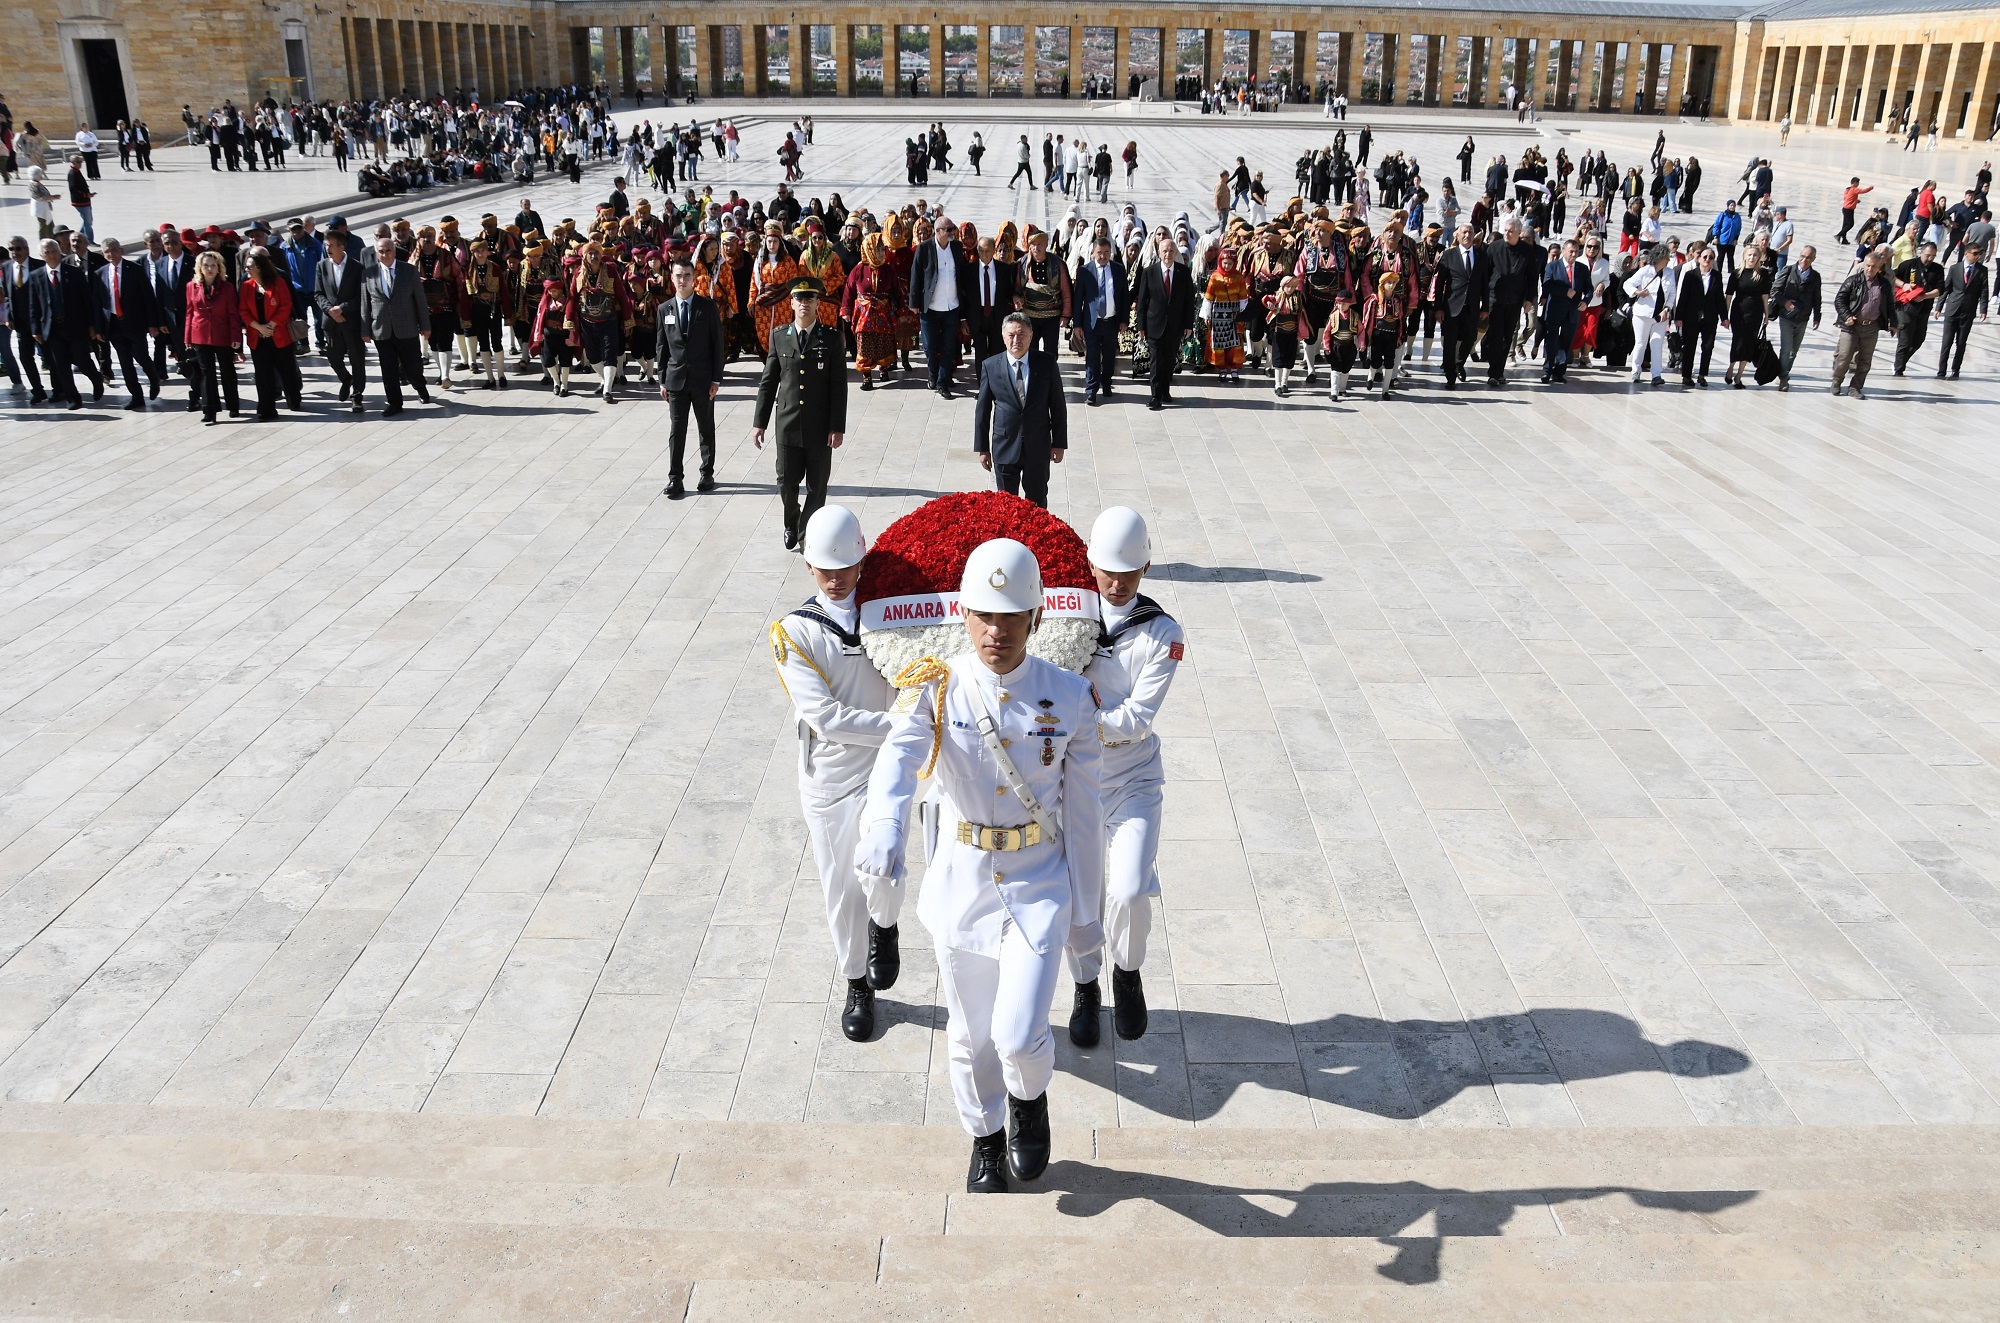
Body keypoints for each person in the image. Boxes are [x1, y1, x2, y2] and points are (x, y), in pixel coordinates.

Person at [855, 537, 1105, 1196]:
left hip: (1037, 880)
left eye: (1012, 615)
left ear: (1037, 618)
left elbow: (1083, 816)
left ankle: (1029, 1099)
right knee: (970, 1036)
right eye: (984, 615)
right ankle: (986, 1135)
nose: (997, 631)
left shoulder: (1070, 697)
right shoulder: (937, 688)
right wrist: (884, 823)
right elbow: (898, 759)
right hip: (965, 881)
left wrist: (1088, 922)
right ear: (964, 615)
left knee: (1019, 1036)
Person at [768, 505, 904, 1043]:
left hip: (883, 770)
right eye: (824, 568)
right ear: (808, 568)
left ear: (861, 560)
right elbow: (824, 716)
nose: (835, 577)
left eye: (844, 566)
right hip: (828, 777)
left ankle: (886, 927)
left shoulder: (890, 614)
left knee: (886, 866)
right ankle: (856, 984)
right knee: (842, 888)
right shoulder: (795, 633)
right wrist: (899, 727)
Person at [1067, 507, 1180, 1048]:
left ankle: (1127, 971)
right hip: (1076, 782)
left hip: (1132, 780)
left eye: (1128, 573)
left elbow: (1136, 719)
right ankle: (1085, 987)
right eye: (1107, 571)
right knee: (1080, 894)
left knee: (1130, 890)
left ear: (1147, 568)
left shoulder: (1162, 633)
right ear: (1089, 564)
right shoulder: (1067, 614)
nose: (1115, 584)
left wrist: (1071, 724)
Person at [754, 277, 847, 552]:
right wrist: (760, 422)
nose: (804, 304)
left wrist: (837, 426)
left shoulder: (831, 338)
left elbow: (838, 387)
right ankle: (791, 521)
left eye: (810, 299)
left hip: (820, 426)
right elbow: (769, 382)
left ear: (818, 304)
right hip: (788, 424)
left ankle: (806, 529)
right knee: (785, 482)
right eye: (799, 299)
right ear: (791, 303)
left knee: (817, 486)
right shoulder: (779, 336)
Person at [973, 313, 1066, 508]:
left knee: (1037, 503)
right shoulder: (990, 366)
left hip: (1037, 446)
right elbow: (982, 410)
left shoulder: (1046, 363)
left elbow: (1057, 405)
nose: (1016, 340)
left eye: (1021, 334)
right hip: (1004, 446)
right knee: (1006, 507)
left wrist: (1059, 442)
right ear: (1003, 336)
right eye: (1011, 335)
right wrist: (982, 448)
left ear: (1031, 336)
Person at [658, 255, 725, 498]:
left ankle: (707, 473)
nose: (683, 280)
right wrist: (662, 379)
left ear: (694, 278)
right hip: (676, 380)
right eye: (679, 276)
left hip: (702, 379)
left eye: (687, 275)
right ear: (672, 278)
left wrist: (716, 379)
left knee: (705, 427)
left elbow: (717, 345)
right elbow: (662, 347)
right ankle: (675, 478)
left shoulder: (707, 307)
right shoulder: (664, 309)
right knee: (678, 429)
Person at [361, 232, 432, 416]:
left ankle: (420, 387)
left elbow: (420, 301)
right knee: (388, 369)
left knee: (413, 366)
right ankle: (394, 403)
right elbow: (365, 304)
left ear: (394, 251)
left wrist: (425, 326)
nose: (385, 254)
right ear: (377, 253)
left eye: (389, 250)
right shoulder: (368, 274)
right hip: (382, 330)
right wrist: (365, 330)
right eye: (381, 251)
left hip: (406, 327)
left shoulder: (408, 271)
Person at [26, 236, 101, 409]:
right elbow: (33, 304)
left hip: (75, 326)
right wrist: (35, 329)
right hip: (52, 329)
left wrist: (92, 325)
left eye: (54, 251)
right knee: (61, 365)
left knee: (82, 361)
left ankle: (96, 379)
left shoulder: (73, 272)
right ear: (41, 255)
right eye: (47, 252)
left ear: (59, 252)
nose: (51, 255)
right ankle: (72, 397)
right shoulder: (36, 276)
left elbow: (86, 301)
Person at [90, 236, 162, 410]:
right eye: (107, 251)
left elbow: (148, 298)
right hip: (114, 325)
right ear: (103, 254)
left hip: (134, 323)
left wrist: (152, 323)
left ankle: (154, 378)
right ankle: (136, 396)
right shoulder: (100, 274)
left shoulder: (134, 269)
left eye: (114, 250)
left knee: (141, 356)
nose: (111, 254)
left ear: (121, 251)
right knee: (125, 362)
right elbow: (98, 304)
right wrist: (99, 328)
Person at [907, 216, 970, 396]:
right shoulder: (924, 248)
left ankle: (942, 382)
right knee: (929, 346)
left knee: (948, 345)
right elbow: (916, 276)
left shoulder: (956, 247)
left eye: (953, 229)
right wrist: (914, 303)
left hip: (951, 307)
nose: (952, 232)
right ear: (938, 231)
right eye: (948, 229)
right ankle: (933, 374)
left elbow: (961, 276)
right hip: (930, 307)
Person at [1132, 233, 1193, 411]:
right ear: (1159, 252)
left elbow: (1188, 301)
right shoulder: (1149, 272)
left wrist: (1188, 324)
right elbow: (1142, 301)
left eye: (1171, 251)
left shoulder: (1183, 273)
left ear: (1176, 253)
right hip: (1154, 325)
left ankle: (1165, 391)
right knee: (1156, 362)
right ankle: (1155, 396)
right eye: (1165, 251)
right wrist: (1140, 326)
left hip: (1175, 326)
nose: (1168, 254)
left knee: (1168, 361)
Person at [239, 250, 302, 419]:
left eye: (250, 267)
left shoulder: (278, 283)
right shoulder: (246, 286)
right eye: (246, 267)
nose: (247, 270)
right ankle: (266, 409)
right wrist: (259, 327)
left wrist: (271, 325)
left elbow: (285, 306)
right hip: (258, 337)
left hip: (279, 334)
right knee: (263, 375)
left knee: (287, 370)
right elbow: (243, 310)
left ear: (260, 267)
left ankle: (294, 399)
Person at [182, 249, 242, 422]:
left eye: (213, 266)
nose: (209, 269)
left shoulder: (227, 287)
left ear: (218, 268)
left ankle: (233, 405)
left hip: (222, 333)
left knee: (227, 371)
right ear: (200, 267)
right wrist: (187, 337)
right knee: (206, 373)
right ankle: (210, 410)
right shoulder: (191, 287)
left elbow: (233, 314)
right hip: (200, 333)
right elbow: (189, 313)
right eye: (206, 265)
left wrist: (236, 337)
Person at [1831, 246, 1895, 398]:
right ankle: (1836, 381)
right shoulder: (1854, 281)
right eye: (1867, 266)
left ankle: (1855, 387)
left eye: (1873, 266)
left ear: (1879, 267)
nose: (1870, 269)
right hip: (1851, 326)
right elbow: (1840, 299)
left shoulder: (1884, 284)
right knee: (1844, 357)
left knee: (1865, 360)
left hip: (1871, 327)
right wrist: (1847, 316)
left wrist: (1893, 322)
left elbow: (1890, 304)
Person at [315, 230, 368, 412]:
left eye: (330, 245)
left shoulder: (356, 267)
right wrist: (330, 310)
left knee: (357, 360)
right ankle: (346, 379)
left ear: (341, 247)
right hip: (331, 322)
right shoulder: (322, 266)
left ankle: (357, 395)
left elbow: (361, 296)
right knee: (334, 358)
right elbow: (318, 293)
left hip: (351, 321)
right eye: (326, 245)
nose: (327, 248)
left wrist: (342, 308)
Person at [1072, 234, 1127, 405]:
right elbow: (1078, 299)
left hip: (1111, 321)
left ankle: (1107, 383)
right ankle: (1091, 390)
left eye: (1106, 252)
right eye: (1099, 252)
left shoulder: (1118, 270)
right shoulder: (1086, 271)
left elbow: (1124, 296)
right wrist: (1078, 324)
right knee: (1093, 357)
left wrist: (1124, 320)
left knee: (1110, 355)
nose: (1103, 256)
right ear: (1093, 253)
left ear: (1111, 252)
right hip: (1092, 322)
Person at [1484, 218, 1537, 387]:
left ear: (1519, 233)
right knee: (1495, 335)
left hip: (1515, 300)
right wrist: (1482, 298)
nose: (1507, 233)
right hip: (1495, 298)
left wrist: (1529, 299)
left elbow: (1532, 277)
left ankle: (1498, 372)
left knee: (1508, 336)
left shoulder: (1527, 251)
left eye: (1510, 231)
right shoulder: (1494, 248)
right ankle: (1494, 372)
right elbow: (1485, 273)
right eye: (1505, 230)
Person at [1436, 223, 1487, 387]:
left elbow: (1485, 284)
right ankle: (1450, 376)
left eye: (1470, 232)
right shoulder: (1449, 255)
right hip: (1452, 307)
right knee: (1450, 342)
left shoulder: (1481, 256)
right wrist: (1438, 308)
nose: (1467, 235)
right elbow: (1439, 284)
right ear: (1457, 236)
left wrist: (1485, 306)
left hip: (1472, 307)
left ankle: (1459, 363)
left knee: (1470, 338)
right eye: (1464, 232)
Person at [1766, 245, 1820, 391]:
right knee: (1786, 348)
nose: (1804, 260)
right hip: (1786, 316)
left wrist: (1817, 316)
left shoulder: (1815, 276)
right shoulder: (1788, 270)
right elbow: (1774, 290)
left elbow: (1817, 297)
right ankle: (1783, 377)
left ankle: (1784, 371)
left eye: (1808, 257)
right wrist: (1785, 302)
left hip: (1803, 317)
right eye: (1802, 256)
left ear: (1813, 259)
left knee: (1793, 351)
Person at [1891, 239, 1945, 376]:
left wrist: (1925, 296)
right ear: (1921, 252)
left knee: (1919, 339)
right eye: (1928, 255)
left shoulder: (1937, 269)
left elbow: (1940, 289)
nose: (1930, 259)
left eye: (1933, 256)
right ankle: (1899, 369)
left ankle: (1900, 362)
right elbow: (1893, 277)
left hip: (1924, 309)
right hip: (1906, 307)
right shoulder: (1909, 264)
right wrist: (1904, 285)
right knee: (1905, 340)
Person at [1675, 244, 1725, 387]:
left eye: (1711, 257)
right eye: (1705, 257)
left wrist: (1724, 317)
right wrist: (1679, 317)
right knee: (1689, 346)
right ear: (1699, 258)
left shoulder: (1716, 276)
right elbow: (1683, 296)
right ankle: (1686, 375)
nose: (1707, 260)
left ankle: (1702, 375)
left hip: (1709, 318)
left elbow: (1719, 298)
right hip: (1691, 317)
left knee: (1708, 347)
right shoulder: (1690, 275)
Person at [1624, 243, 1674, 386]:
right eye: (1666, 257)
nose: (1669, 260)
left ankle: (1656, 375)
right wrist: (1637, 292)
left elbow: (1673, 294)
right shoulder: (1645, 271)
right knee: (1641, 343)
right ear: (1659, 257)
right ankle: (1635, 371)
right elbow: (1627, 284)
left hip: (1660, 315)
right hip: (1642, 314)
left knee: (1657, 343)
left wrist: (1667, 309)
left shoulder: (1670, 273)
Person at [1934, 243, 1987, 379]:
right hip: (1952, 309)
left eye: (1979, 254)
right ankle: (1941, 370)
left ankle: (1955, 369)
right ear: (1966, 253)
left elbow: (1984, 291)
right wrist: (1939, 307)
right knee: (1946, 342)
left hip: (1968, 311)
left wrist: (1983, 309)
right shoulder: (1955, 268)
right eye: (1975, 253)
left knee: (1961, 343)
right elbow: (1946, 289)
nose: (1977, 256)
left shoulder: (1982, 270)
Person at [1539, 239, 1585, 384]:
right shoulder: (1552, 267)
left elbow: (1588, 288)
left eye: (1576, 251)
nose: (1573, 254)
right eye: (1571, 251)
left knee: (1566, 343)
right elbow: (1547, 286)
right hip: (1555, 310)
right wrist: (1565, 291)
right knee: (1552, 342)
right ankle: (1547, 371)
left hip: (1572, 312)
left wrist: (1586, 301)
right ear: (1564, 251)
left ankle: (1559, 372)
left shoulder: (1582, 269)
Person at [966, 235, 1013, 370]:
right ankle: (982, 385)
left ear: (994, 251)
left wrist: (1016, 298)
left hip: (996, 315)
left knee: (996, 351)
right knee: (980, 353)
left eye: (987, 251)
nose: (983, 254)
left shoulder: (1003, 269)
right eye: (980, 250)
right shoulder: (969, 270)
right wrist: (963, 319)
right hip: (977, 316)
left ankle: (995, 383)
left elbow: (1008, 292)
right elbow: (964, 296)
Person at [66, 157, 95, 243]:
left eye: (81, 162)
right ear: (73, 162)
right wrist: (85, 194)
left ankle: (78, 236)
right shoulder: (72, 173)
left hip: (86, 200)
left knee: (88, 221)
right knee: (88, 221)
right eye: (78, 162)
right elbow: (73, 188)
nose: (80, 164)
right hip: (79, 201)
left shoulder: (77, 171)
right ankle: (89, 240)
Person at [1838, 178, 1872, 245]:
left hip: (1845, 208)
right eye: (1858, 183)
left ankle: (1844, 239)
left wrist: (1855, 201)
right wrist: (1871, 187)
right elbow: (1863, 191)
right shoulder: (1854, 189)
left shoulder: (1847, 189)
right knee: (1850, 224)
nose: (1858, 185)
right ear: (1855, 183)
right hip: (1849, 209)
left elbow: (1846, 198)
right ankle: (1839, 235)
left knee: (1845, 225)